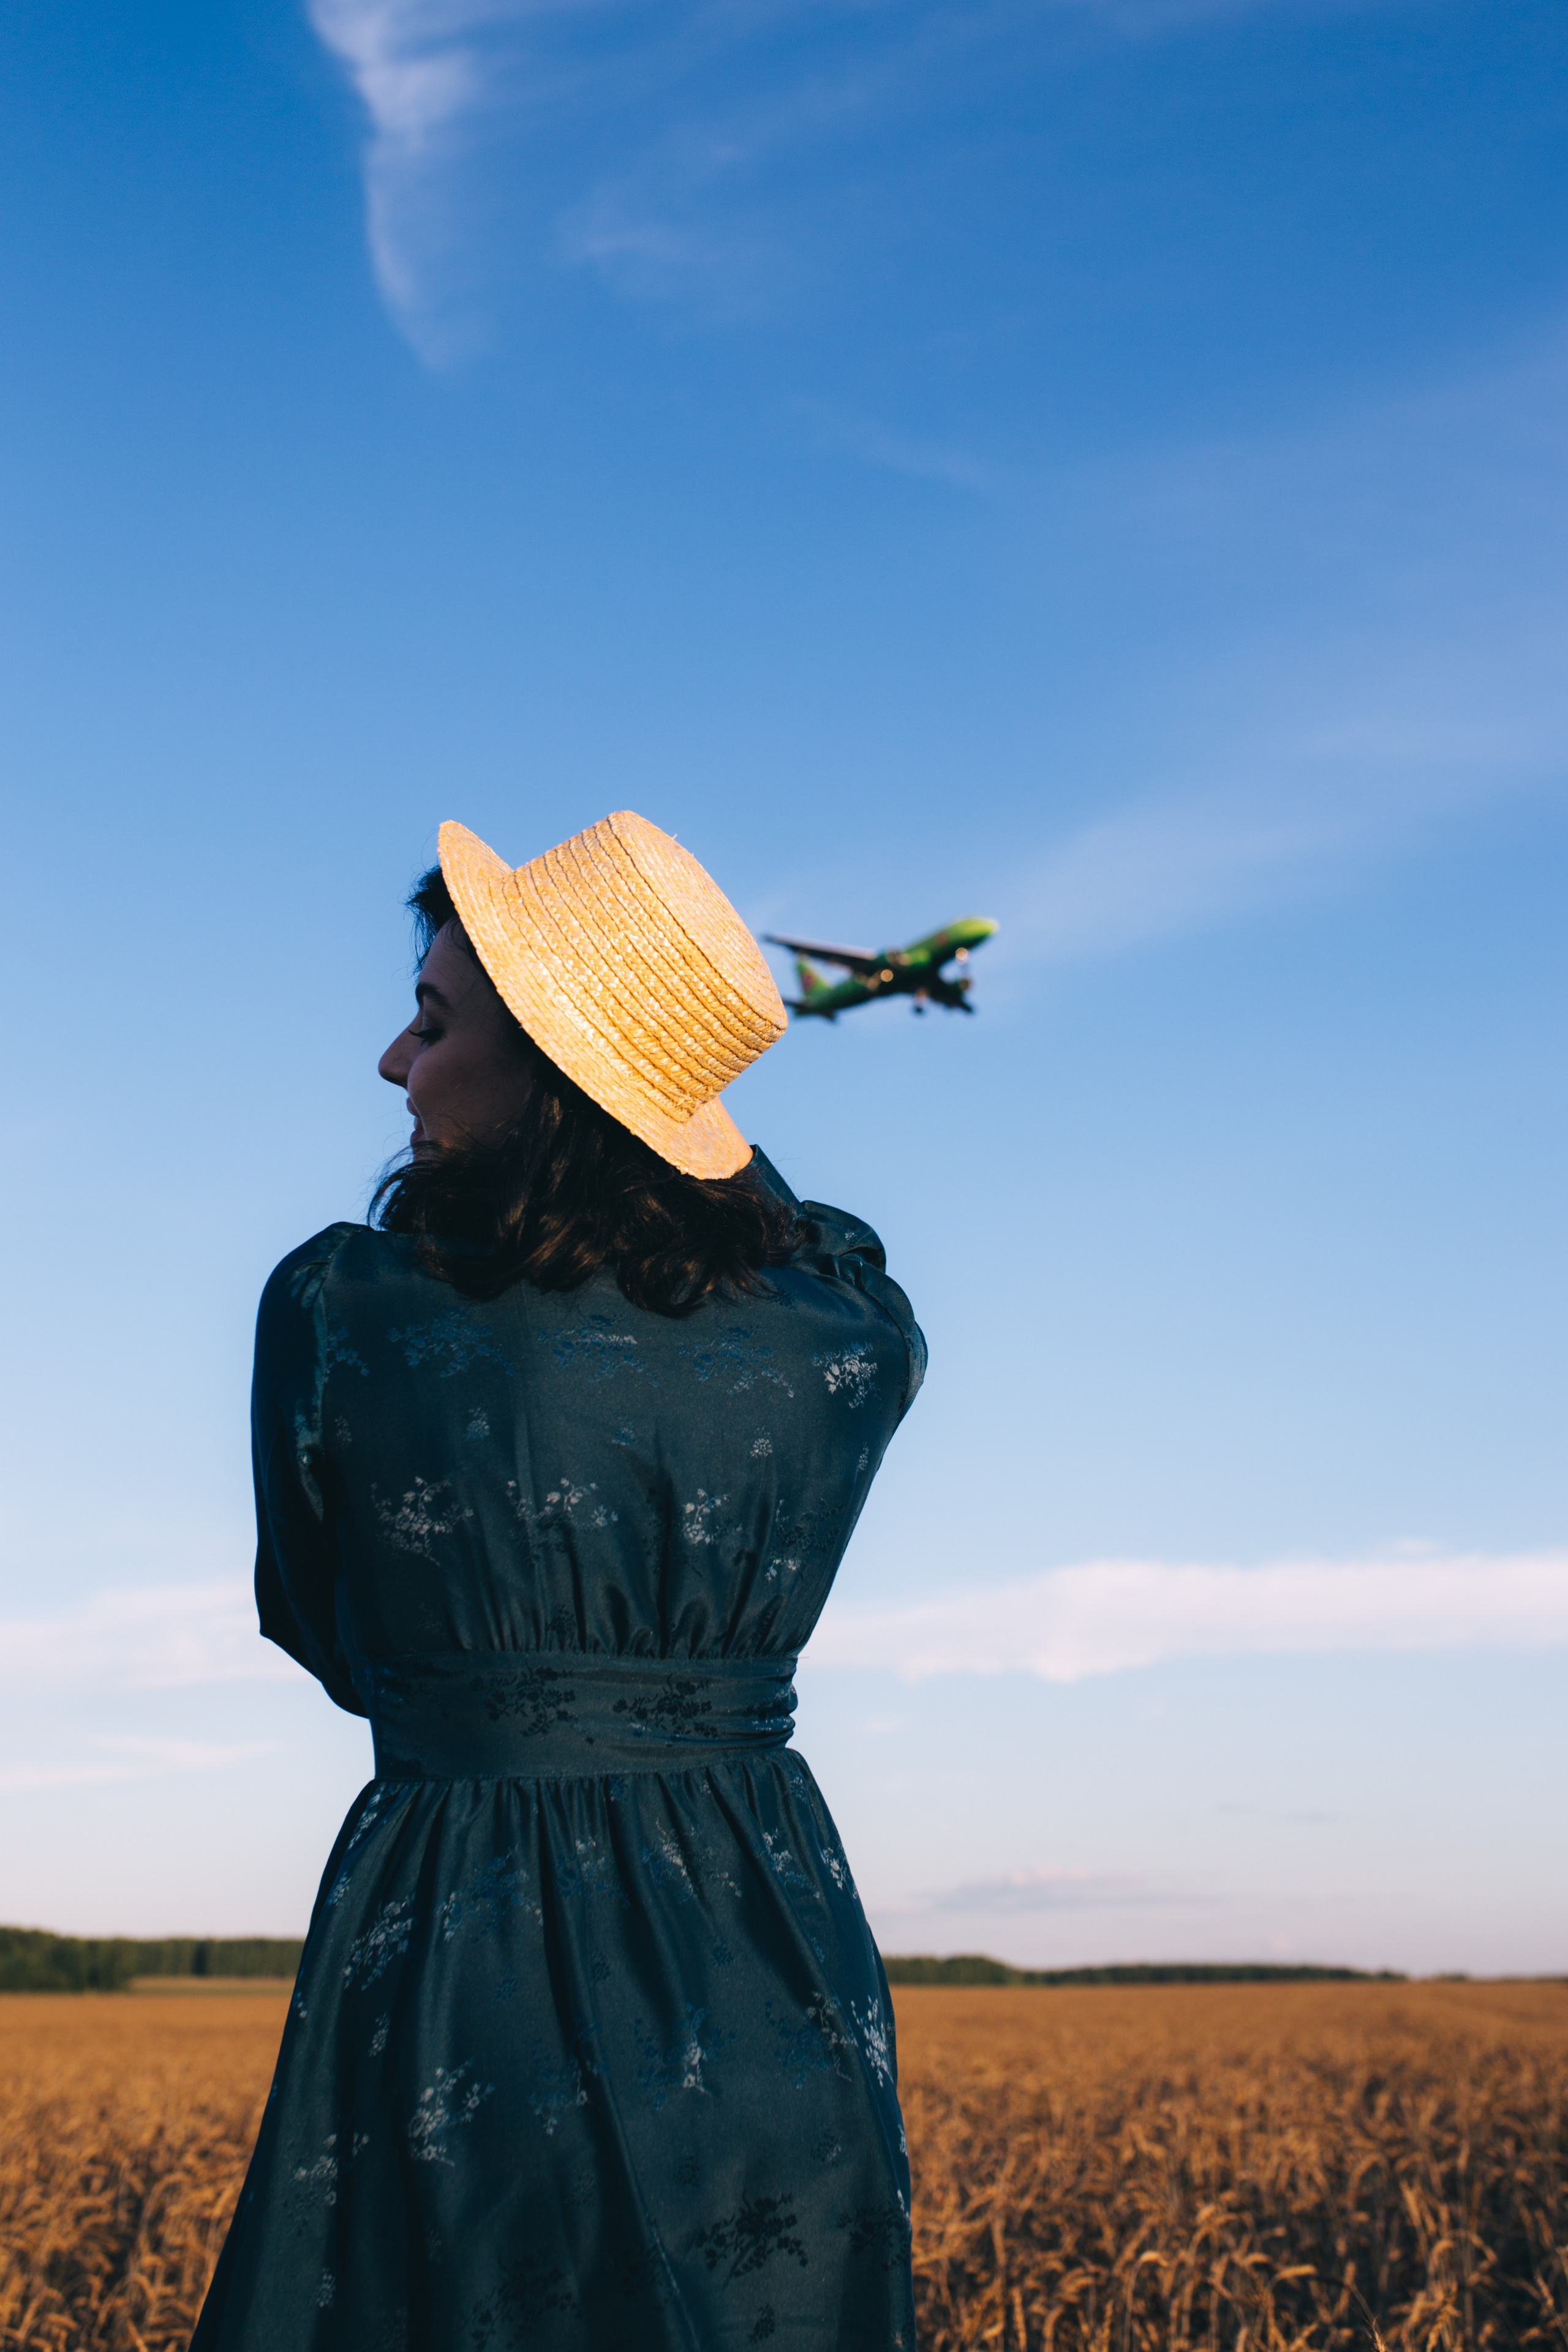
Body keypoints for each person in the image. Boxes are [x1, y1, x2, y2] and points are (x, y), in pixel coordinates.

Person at [190, 810, 927, 2351]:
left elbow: (322, 1630)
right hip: (774, 1945)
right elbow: (818, 1234)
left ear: (549, 1068)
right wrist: (661, 1091)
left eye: (432, 1020)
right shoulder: (847, 1336)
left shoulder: (344, 1308)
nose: (393, 1063)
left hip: (465, 1937)